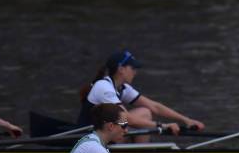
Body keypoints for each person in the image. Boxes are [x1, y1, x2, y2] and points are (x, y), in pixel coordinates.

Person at [77, 50, 205, 143]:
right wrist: (163, 126)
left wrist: (186, 120)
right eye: (132, 68)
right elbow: (126, 119)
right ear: (121, 69)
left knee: (145, 112)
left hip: (107, 132)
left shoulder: (122, 88)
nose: (135, 72)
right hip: (88, 139)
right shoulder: (103, 87)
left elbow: (155, 107)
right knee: (126, 121)